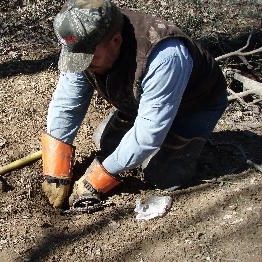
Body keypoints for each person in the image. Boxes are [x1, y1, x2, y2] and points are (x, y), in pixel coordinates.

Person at [41, 0, 228, 208]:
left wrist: (96, 180)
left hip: (195, 105)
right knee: (104, 141)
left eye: (89, 58)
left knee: (162, 176)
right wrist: (55, 170)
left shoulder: (164, 56)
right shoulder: (82, 41)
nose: (82, 64)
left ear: (116, 40)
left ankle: (186, 149)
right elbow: (67, 102)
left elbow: (148, 135)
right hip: (144, 100)